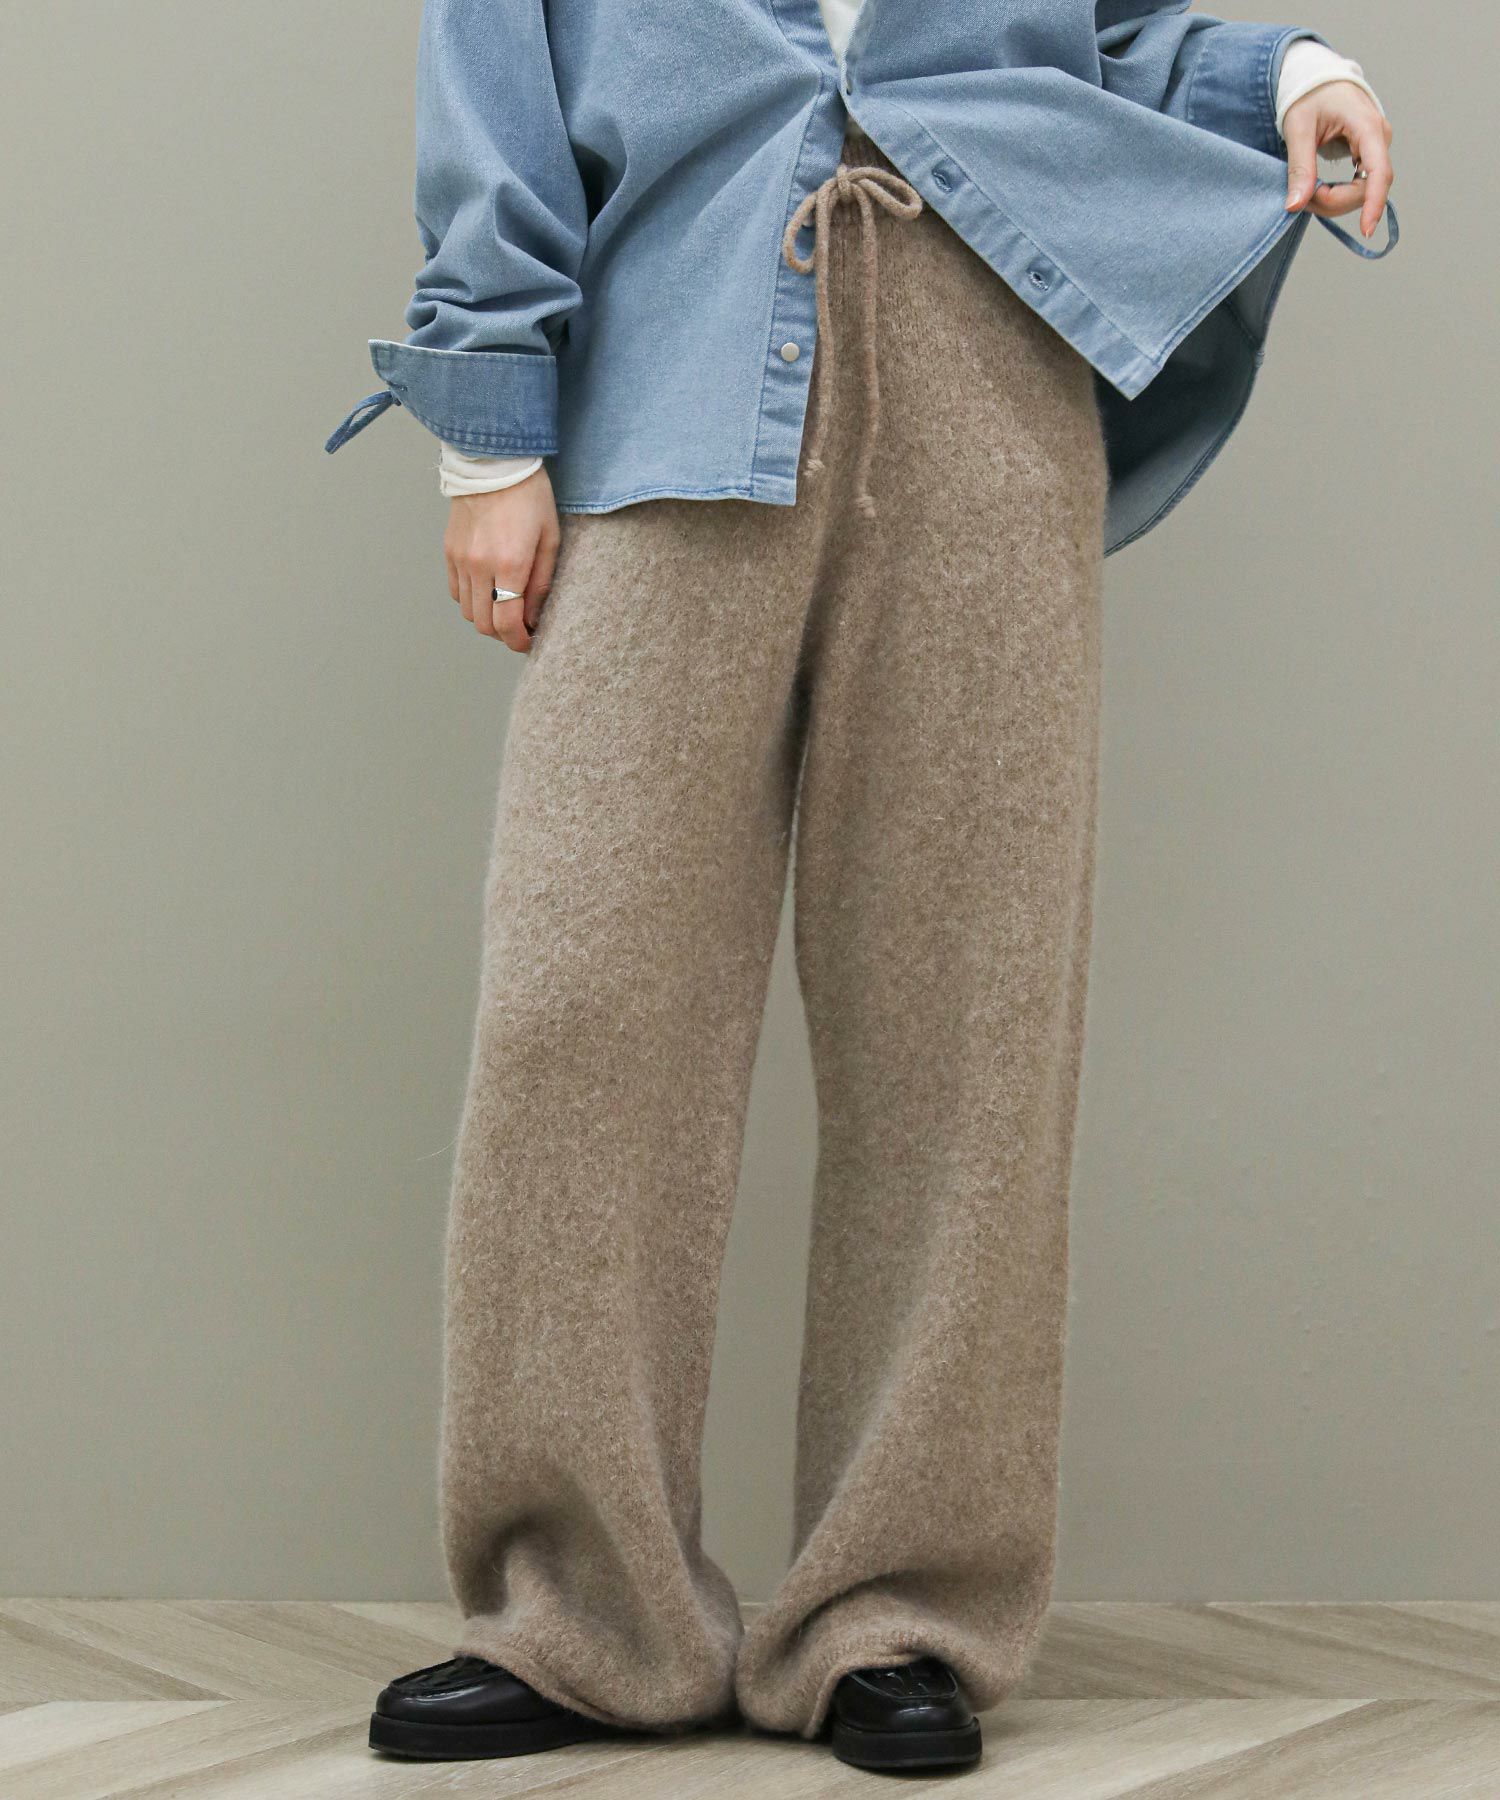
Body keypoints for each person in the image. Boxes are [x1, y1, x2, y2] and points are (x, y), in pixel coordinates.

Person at [326, 0, 1396, 1775]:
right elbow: (500, 97)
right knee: (583, 1006)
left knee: (967, 1018)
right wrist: (491, 430)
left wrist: (1290, 75)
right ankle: (580, 1616)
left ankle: (900, 1614)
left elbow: (1112, 34)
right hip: (669, 379)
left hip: (990, 394)